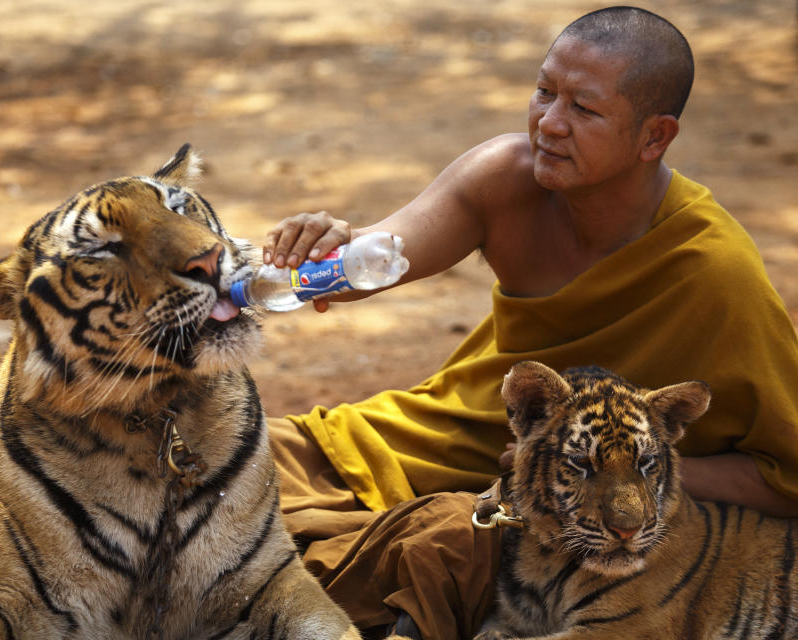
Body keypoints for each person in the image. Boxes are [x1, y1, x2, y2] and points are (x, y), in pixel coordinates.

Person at [262, 6, 798, 640]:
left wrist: (607, 467)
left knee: (434, 554)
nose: (548, 123)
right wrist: (330, 247)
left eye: (584, 110)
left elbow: (785, 482)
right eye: (544, 91)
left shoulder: (716, 273)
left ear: (655, 137)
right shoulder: (505, 179)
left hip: (530, 512)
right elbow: (379, 256)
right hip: (395, 445)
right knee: (205, 461)